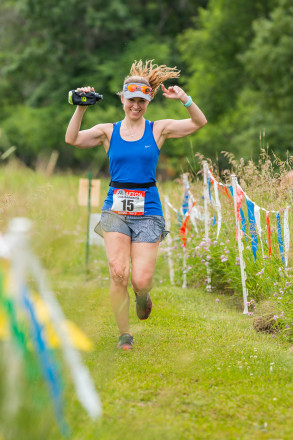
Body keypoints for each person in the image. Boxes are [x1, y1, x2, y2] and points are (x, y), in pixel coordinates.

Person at [65, 60, 207, 350]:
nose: (136, 106)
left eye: (142, 101)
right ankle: (124, 334)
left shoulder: (159, 129)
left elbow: (198, 123)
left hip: (148, 211)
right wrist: (81, 106)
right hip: (115, 207)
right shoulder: (108, 131)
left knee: (141, 280)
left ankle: (143, 297)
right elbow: (73, 139)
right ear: (122, 99)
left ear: (148, 100)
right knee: (118, 271)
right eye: (131, 100)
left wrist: (185, 99)